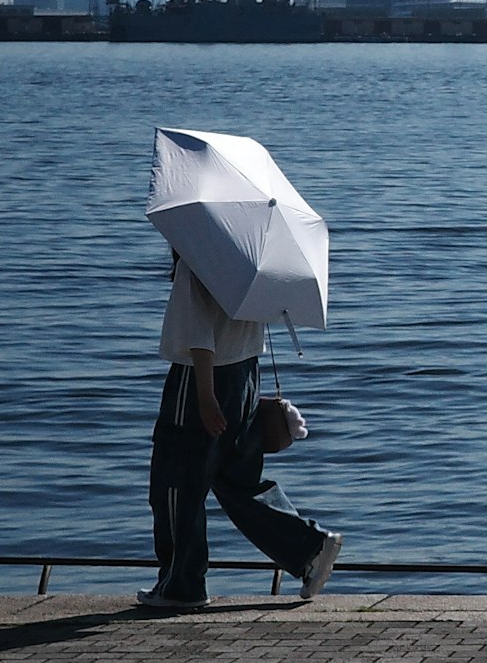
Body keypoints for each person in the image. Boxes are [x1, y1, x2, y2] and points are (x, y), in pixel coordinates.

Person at [141, 252, 345, 607]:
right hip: (245, 372)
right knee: (238, 479)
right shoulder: (249, 260)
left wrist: (204, 396)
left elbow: (200, 336)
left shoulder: (197, 259)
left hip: (199, 378)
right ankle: (309, 546)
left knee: (175, 482)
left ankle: (181, 585)